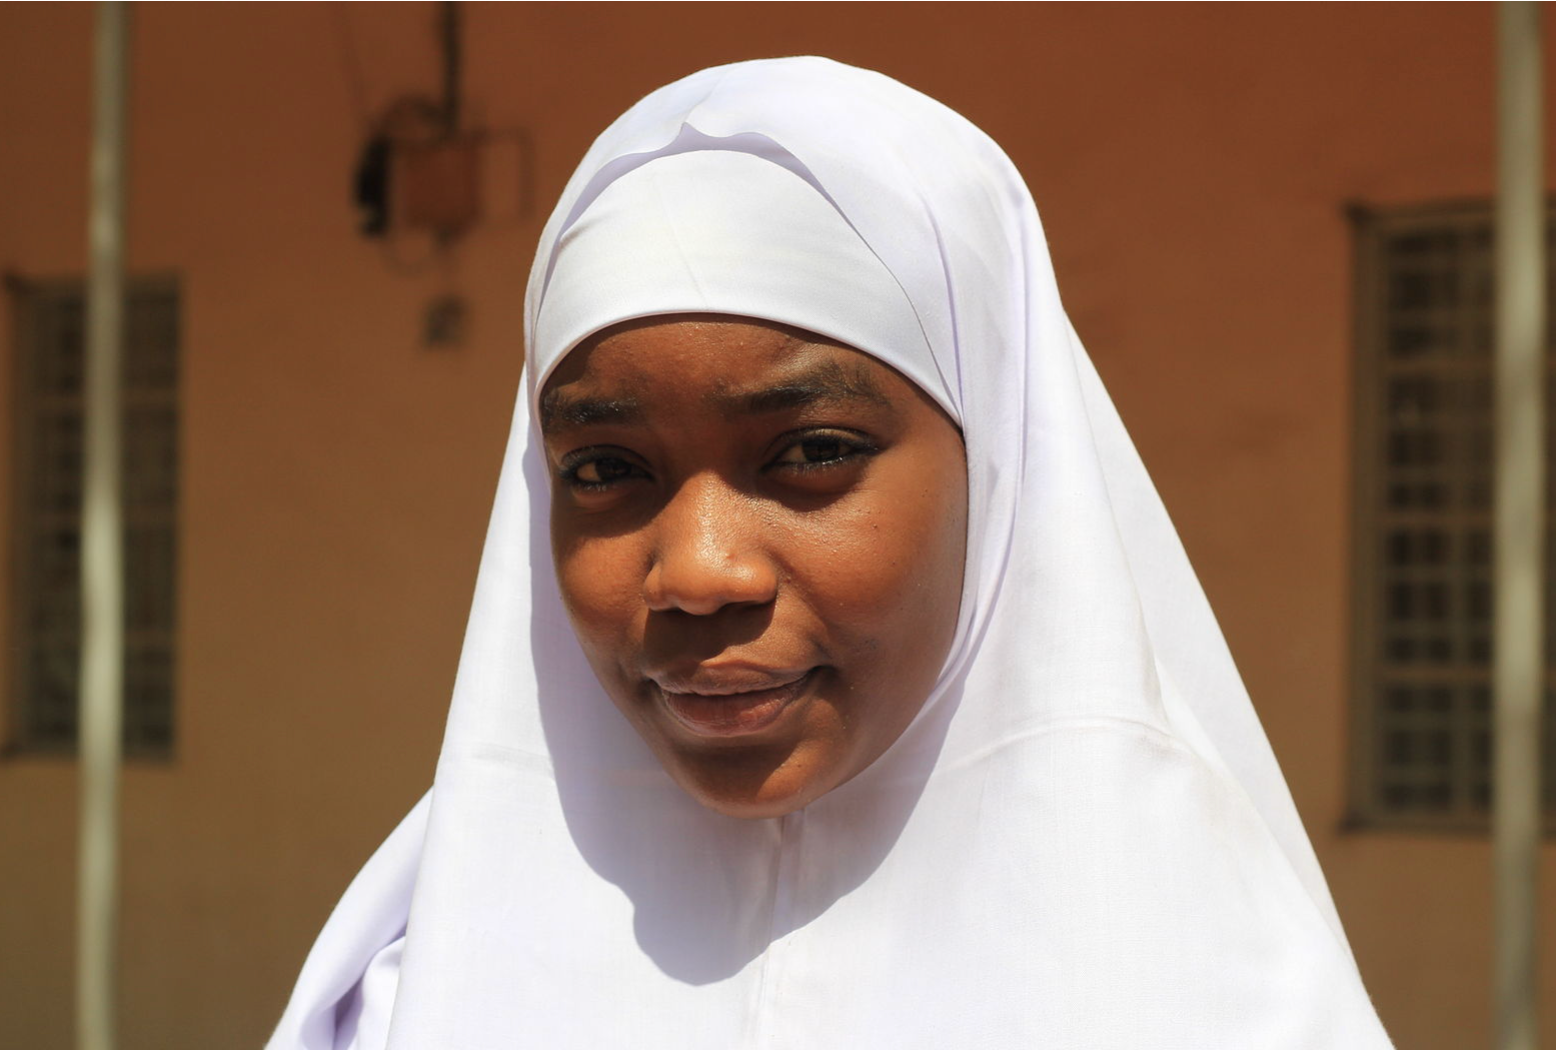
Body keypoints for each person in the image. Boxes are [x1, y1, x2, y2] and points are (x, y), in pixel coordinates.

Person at [268, 57, 1393, 1049]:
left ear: (996, 474)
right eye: (604, 469)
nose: (699, 574)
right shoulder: (407, 1001)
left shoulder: (1218, 1003)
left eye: (809, 451)